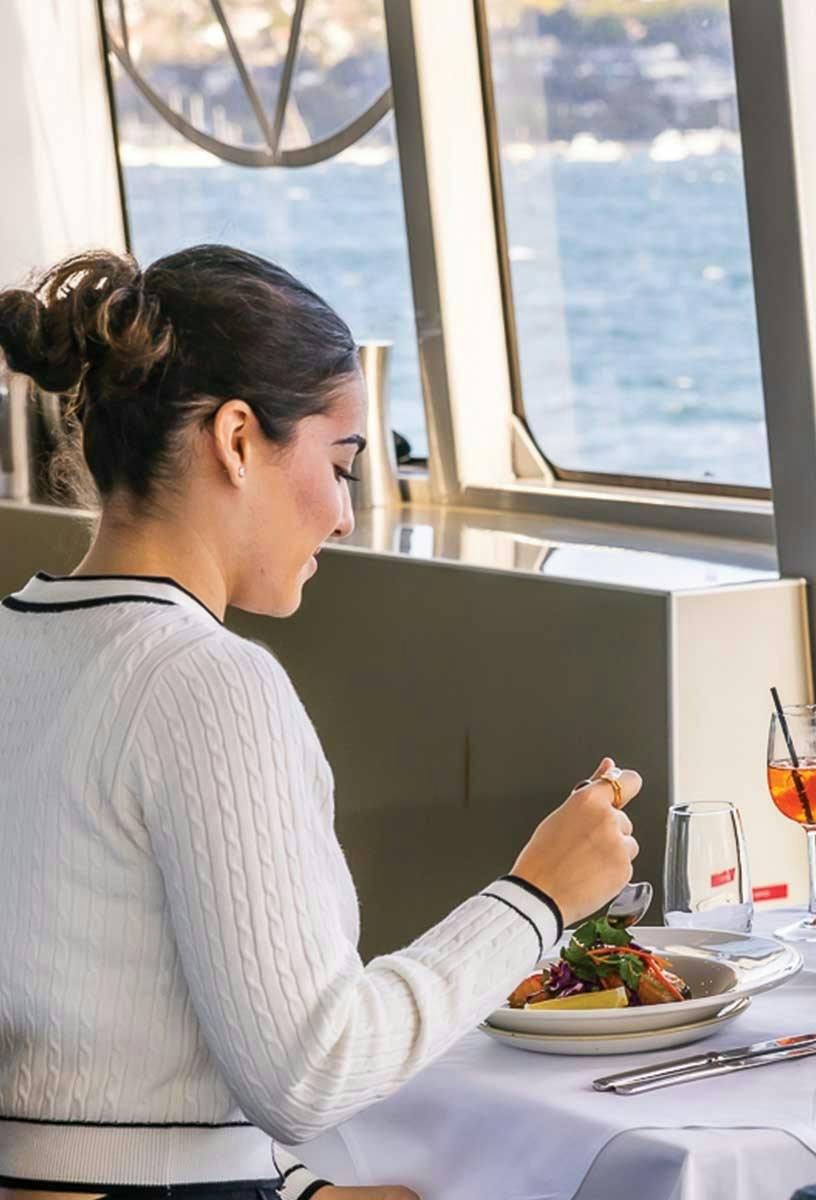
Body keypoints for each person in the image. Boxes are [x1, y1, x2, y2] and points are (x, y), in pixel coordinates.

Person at [0, 247, 642, 1199]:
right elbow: (313, 1071)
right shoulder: (206, 685)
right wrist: (538, 898)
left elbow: (91, 1039)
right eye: (339, 465)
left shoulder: (20, 639)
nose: (344, 517)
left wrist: (300, 1190)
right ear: (236, 438)